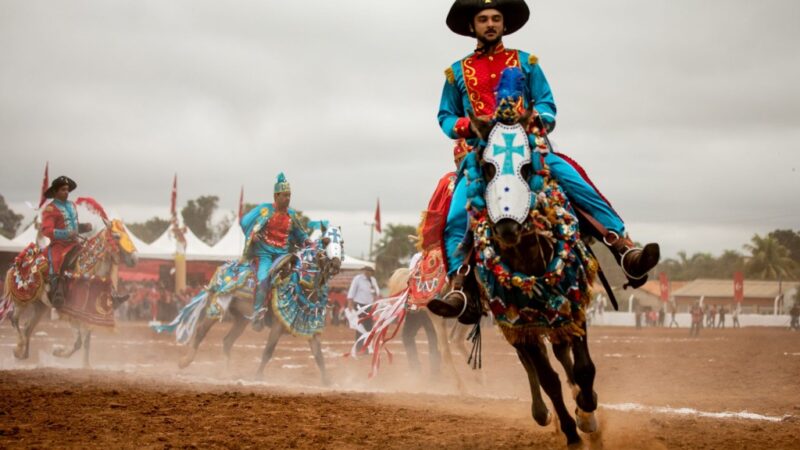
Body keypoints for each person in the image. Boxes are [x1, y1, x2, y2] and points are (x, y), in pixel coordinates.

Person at [428, 0, 660, 321]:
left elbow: (548, 105)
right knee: (456, 216)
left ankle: (622, 248)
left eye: (496, 18)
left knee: (575, 180)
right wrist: (470, 125)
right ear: (472, 26)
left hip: (528, 149)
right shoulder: (456, 74)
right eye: (483, 19)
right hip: (480, 158)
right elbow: (445, 117)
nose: (491, 24)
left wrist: (534, 119)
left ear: (504, 24)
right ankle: (459, 287)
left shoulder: (527, 63)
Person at [240, 172, 309, 330]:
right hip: (265, 256)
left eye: (289, 195)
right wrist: (253, 234)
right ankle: (257, 314)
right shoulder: (264, 210)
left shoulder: (292, 215)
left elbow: (301, 235)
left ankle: (300, 312)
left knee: (302, 277)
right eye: (285, 195)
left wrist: (309, 243)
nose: (288, 198)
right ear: (276, 195)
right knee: (264, 279)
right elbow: (244, 221)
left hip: (284, 256)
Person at [40, 176, 93, 307]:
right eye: (63, 189)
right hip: (59, 245)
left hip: (75, 243)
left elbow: (73, 228)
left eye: (68, 190)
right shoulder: (50, 209)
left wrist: (83, 227)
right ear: (55, 191)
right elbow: (46, 230)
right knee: (58, 261)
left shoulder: (72, 205)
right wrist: (65, 234)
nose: (67, 192)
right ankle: (57, 293)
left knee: (92, 256)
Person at [347, 266, 380, 353]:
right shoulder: (358, 279)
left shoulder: (373, 280)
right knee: (360, 327)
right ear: (364, 271)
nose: (367, 272)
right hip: (359, 305)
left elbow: (377, 292)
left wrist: (376, 302)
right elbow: (352, 291)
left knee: (369, 327)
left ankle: (366, 347)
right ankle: (359, 348)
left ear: (372, 272)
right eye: (366, 270)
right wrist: (350, 303)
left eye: (369, 271)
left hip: (369, 306)